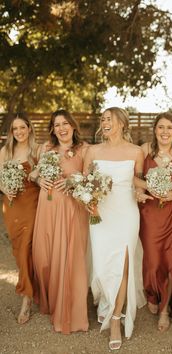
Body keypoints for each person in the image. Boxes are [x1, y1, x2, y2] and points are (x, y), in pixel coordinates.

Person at [83, 107, 147, 350]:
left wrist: (143, 192)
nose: (105, 122)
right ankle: (106, 301)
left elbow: (137, 181)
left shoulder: (136, 151)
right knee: (101, 265)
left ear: (122, 123)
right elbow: (84, 181)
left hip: (127, 212)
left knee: (122, 264)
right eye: (103, 119)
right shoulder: (92, 151)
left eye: (110, 118)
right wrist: (87, 201)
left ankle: (117, 318)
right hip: (100, 212)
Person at [32, 109, 89, 334]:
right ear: (53, 130)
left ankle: (71, 312)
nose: (62, 128)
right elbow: (33, 173)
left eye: (66, 123)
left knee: (69, 259)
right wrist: (39, 179)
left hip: (72, 209)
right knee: (43, 256)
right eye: (57, 125)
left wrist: (74, 181)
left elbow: (90, 177)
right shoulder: (46, 149)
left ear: (73, 126)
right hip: (47, 208)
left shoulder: (85, 149)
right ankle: (51, 300)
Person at [135, 112, 172, 332]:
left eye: (169, 128)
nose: (165, 132)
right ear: (155, 129)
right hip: (150, 213)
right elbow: (135, 177)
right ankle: (152, 292)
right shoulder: (145, 150)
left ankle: (165, 309)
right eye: (161, 127)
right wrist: (145, 189)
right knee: (153, 259)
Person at [0, 113, 40, 324]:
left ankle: (26, 299)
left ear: (29, 128)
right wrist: (5, 189)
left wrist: (36, 175)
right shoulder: (6, 151)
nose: (19, 132)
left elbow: (43, 178)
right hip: (12, 204)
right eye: (15, 129)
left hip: (32, 204)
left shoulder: (37, 151)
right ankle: (31, 286)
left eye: (22, 127)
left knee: (27, 247)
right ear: (11, 132)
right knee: (18, 250)